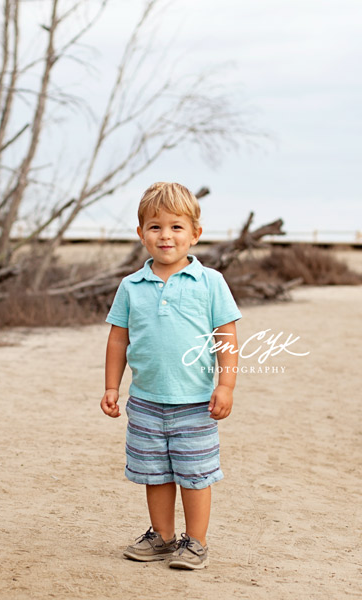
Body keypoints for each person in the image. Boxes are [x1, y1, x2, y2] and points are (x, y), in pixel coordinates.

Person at [100, 182, 241, 570]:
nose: (166, 236)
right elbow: (118, 340)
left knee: (195, 474)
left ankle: (195, 543)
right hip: (145, 400)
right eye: (155, 226)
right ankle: (162, 537)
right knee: (155, 473)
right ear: (141, 233)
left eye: (177, 227)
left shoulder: (210, 282)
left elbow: (226, 337)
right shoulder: (131, 286)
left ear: (196, 233)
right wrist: (112, 386)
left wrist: (225, 385)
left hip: (195, 403)